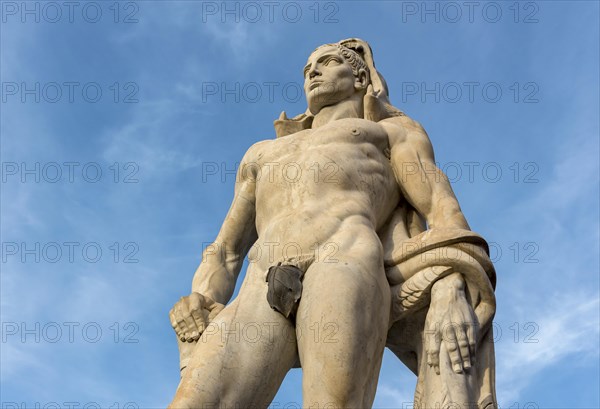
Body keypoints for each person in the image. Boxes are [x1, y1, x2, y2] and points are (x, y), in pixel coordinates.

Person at [168, 39, 497, 409]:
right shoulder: (261, 154)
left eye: (325, 62)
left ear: (359, 76)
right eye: (307, 69)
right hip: (261, 278)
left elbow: (442, 212)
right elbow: (227, 251)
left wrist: (450, 286)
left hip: (343, 258)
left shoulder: (391, 134)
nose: (313, 72)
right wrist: (202, 298)